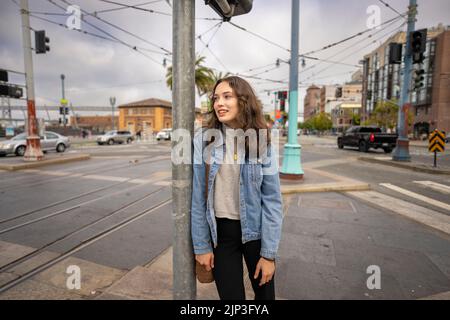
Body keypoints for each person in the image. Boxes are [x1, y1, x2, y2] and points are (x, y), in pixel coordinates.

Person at [191, 76, 283, 300]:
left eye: (227, 96)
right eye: (215, 98)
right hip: (221, 236)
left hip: (256, 234)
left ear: (243, 100)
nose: (219, 103)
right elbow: (197, 199)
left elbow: (272, 200)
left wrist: (269, 255)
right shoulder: (203, 141)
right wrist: (201, 246)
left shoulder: (262, 141)